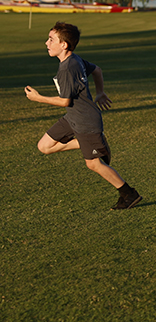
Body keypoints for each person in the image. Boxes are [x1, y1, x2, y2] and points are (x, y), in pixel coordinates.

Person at [24, 22, 142, 210]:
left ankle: (129, 193)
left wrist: (38, 98)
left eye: (51, 39)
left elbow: (65, 101)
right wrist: (100, 93)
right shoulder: (74, 59)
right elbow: (97, 70)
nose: (47, 43)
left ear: (64, 45)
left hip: (86, 122)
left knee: (93, 164)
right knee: (44, 146)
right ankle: (88, 143)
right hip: (74, 118)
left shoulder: (67, 68)